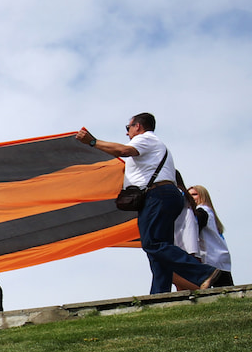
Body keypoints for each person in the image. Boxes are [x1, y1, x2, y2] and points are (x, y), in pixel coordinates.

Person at [77, 113, 219, 293]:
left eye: (128, 128)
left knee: (152, 243)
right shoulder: (154, 145)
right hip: (164, 196)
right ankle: (159, 294)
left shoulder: (146, 139)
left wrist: (92, 142)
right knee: (158, 248)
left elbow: (123, 151)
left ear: (138, 126)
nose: (127, 133)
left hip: (157, 195)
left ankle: (203, 273)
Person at [189, 185, 234, 287]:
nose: (191, 197)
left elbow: (194, 229)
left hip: (211, 258)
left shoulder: (202, 212)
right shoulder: (210, 213)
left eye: (195, 194)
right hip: (221, 257)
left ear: (203, 196)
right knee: (226, 289)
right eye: (189, 195)